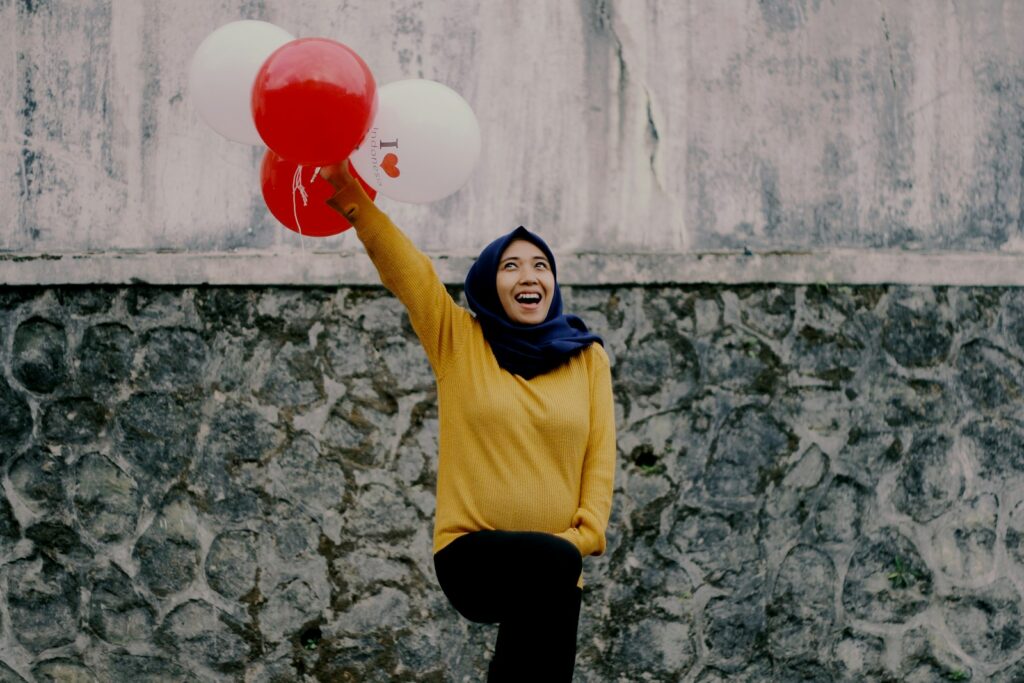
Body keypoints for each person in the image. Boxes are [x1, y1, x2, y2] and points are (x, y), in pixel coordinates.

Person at [319, 162, 617, 681]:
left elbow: (600, 460)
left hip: (555, 561)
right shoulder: (458, 340)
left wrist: (582, 539)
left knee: (551, 605)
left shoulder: (587, 359)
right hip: (470, 555)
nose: (529, 276)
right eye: (511, 266)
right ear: (487, 282)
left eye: (541, 265)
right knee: (555, 570)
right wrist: (350, 196)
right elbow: (409, 273)